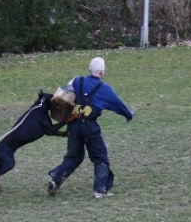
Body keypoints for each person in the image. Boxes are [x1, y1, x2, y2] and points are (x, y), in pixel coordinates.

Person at [47, 57, 134, 199]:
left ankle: (55, 178)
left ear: (89, 70)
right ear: (101, 72)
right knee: (100, 158)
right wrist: (129, 115)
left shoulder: (76, 81)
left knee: (74, 157)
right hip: (90, 127)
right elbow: (118, 104)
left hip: (73, 125)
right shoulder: (105, 89)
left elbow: (63, 94)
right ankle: (99, 190)